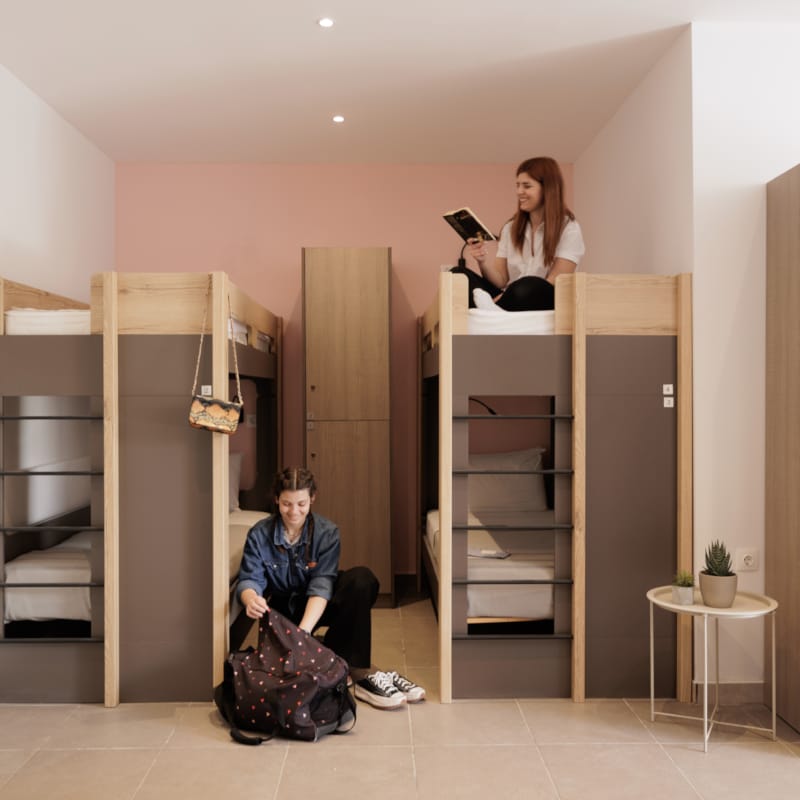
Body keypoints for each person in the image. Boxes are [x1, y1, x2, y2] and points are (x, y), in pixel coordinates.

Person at [237, 467, 425, 709]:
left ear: (312, 498)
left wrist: (302, 636)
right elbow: (249, 579)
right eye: (286, 504)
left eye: (301, 503)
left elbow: (321, 586)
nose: (294, 511)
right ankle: (342, 659)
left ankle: (354, 670)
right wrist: (250, 598)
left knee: (361, 579)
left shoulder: (327, 532)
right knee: (285, 665)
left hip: (316, 605)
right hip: (282, 609)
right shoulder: (259, 533)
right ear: (276, 499)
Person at [452, 156, 585, 311]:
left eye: (527, 186)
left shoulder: (569, 228)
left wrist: (502, 297)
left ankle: (492, 309)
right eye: (518, 186)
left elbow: (555, 281)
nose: (519, 192)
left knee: (529, 285)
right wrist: (482, 261)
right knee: (457, 275)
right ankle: (494, 310)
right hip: (512, 296)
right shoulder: (510, 228)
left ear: (547, 189)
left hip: (541, 296)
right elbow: (501, 280)